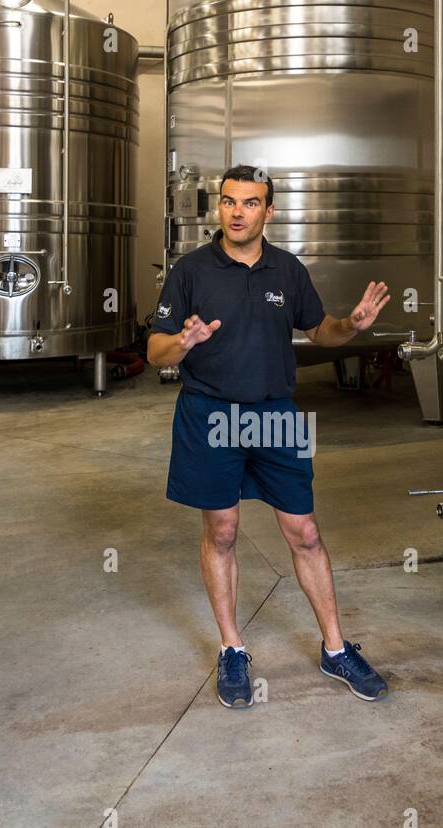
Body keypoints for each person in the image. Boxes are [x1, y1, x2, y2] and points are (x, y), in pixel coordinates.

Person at [147, 165, 393, 709]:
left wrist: (349, 325)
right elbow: (154, 351)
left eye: (250, 203)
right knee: (225, 530)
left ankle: (335, 648)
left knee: (304, 531)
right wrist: (182, 344)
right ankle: (232, 648)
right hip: (209, 413)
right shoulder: (189, 271)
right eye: (229, 202)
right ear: (219, 208)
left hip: (276, 415)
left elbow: (319, 329)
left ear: (269, 211)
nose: (237, 212)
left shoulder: (287, 269)